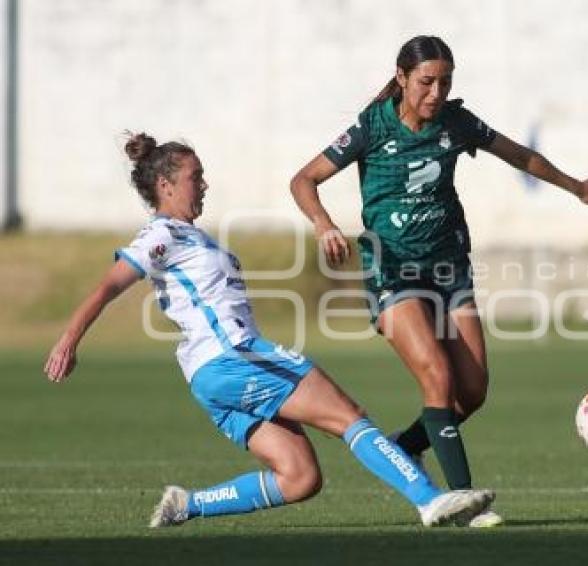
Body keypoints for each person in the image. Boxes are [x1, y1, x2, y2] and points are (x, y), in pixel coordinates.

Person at [43, 132, 494, 528]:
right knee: (347, 415)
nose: (203, 183)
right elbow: (110, 283)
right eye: (194, 176)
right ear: (165, 185)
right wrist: (69, 339)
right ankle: (430, 500)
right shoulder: (163, 235)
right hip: (234, 357)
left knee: (300, 478)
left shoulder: (191, 237)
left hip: (208, 377)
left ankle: (186, 504)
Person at [290, 35, 588, 528]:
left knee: (471, 392)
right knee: (437, 378)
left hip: (448, 268)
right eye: (427, 81)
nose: (436, 92)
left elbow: (520, 156)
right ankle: (463, 502)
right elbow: (303, 179)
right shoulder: (371, 128)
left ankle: (406, 450)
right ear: (401, 78)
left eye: (445, 82)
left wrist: (578, 188)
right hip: (393, 269)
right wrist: (324, 224)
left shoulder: (457, 123)